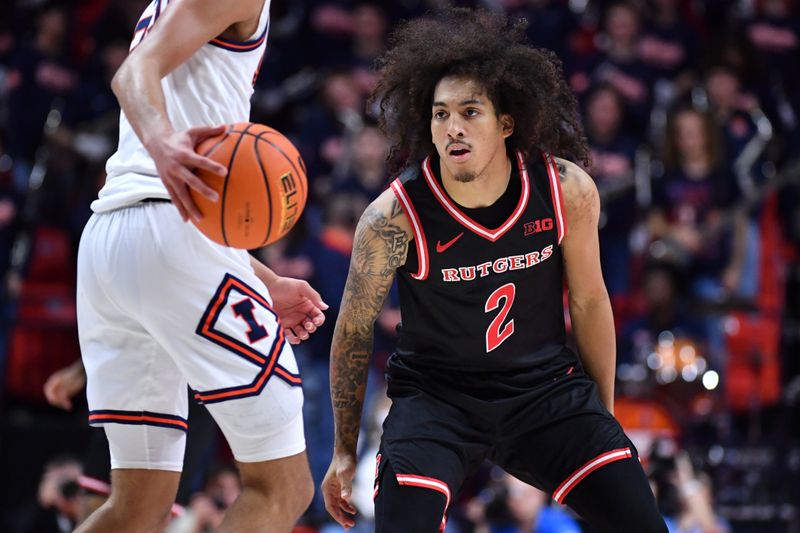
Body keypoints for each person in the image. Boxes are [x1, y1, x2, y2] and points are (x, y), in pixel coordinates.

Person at [322, 9, 667, 533]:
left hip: (543, 390)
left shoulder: (565, 189)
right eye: (440, 114)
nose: (453, 127)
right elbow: (351, 331)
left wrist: (603, 418)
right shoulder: (392, 217)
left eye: (469, 111)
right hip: (436, 399)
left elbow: (591, 303)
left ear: (506, 123)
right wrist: (344, 450)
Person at [75, 1, 327, 532]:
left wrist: (262, 276)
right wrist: (165, 142)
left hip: (111, 244)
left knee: (138, 506)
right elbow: (132, 75)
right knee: (284, 485)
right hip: (173, 241)